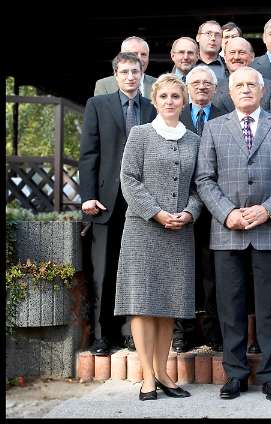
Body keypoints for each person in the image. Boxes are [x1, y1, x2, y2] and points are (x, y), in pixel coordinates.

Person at [195, 66, 271, 402]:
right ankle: (235, 374)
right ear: (229, 93)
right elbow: (204, 179)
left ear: (262, 91)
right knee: (230, 307)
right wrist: (227, 213)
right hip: (227, 230)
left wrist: (267, 210)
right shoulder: (214, 128)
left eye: (251, 85)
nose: (245, 89)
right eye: (239, 85)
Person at [114, 73, 201, 401]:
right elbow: (129, 179)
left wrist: (189, 212)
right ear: (155, 100)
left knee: (169, 303)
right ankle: (148, 377)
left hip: (179, 232)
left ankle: (163, 372)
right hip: (143, 230)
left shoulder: (194, 140)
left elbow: (199, 186)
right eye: (163, 96)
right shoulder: (140, 134)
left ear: (184, 101)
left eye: (175, 96)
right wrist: (156, 213)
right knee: (142, 303)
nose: (169, 101)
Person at [80, 52, 157, 356]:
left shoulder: (152, 107)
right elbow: (89, 153)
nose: (130, 77)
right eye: (124, 72)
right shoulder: (97, 105)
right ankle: (102, 335)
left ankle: (129, 332)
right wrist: (87, 195)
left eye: (135, 71)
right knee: (103, 270)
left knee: (137, 268)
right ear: (115, 75)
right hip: (105, 201)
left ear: (142, 74)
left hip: (142, 201)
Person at [172, 65, 226, 353]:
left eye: (207, 83)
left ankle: (214, 331)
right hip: (180, 205)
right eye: (196, 83)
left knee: (212, 275)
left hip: (215, 207)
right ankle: (183, 331)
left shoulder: (225, 117)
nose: (202, 87)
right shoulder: (175, 117)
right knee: (182, 270)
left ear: (215, 89)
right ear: (187, 87)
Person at [212, 37, 271, 113]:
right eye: (232, 52)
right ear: (225, 57)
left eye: (242, 53)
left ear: (252, 57)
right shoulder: (214, 89)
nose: (236, 57)